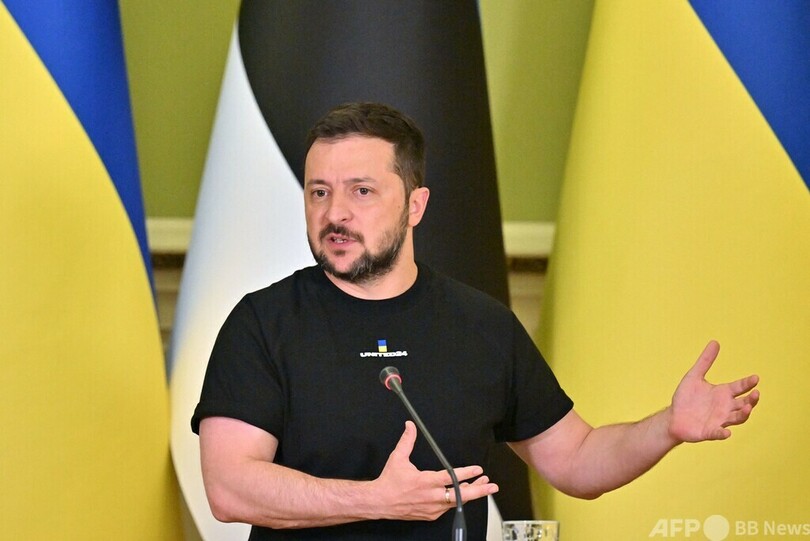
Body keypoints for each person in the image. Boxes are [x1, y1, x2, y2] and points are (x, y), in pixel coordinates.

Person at [192, 102, 760, 541]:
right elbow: (229, 488)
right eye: (319, 192)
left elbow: (577, 461)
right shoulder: (262, 323)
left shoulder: (483, 326)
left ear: (415, 206)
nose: (334, 213)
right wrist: (376, 499)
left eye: (361, 191)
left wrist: (667, 427)